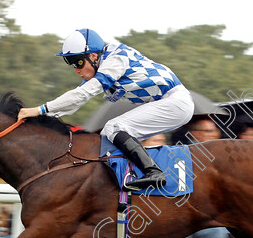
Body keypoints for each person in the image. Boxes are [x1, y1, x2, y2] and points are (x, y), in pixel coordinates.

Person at [18, 29, 194, 191]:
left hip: (175, 102)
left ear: (94, 56)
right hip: (170, 103)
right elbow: (74, 101)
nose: (77, 70)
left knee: (114, 128)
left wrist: (38, 110)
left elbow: (82, 95)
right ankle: (128, 181)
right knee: (112, 141)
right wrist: (39, 117)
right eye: (72, 65)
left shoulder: (115, 60)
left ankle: (154, 172)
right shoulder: (103, 65)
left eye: (78, 62)